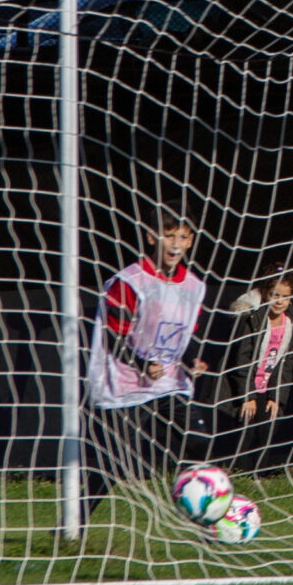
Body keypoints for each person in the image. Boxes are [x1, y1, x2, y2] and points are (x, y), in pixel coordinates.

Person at [83, 209, 211, 519]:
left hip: (168, 380)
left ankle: (201, 514)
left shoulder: (194, 287)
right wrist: (142, 363)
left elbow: (181, 336)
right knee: (113, 462)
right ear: (152, 236)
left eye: (183, 236)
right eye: (169, 235)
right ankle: (73, 523)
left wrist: (192, 360)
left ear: (191, 241)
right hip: (124, 379)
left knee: (197, 441)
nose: (175, 244)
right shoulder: (130, 281)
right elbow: (112, 335)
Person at [209, 270, 293, 468]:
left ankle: (259, 477)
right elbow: (242, 359)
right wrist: (247, 396)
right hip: (247, 386)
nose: (280, 301)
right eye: (275, 295)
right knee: (244, 434)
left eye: (285, 297)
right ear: (265, 295)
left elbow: (287, 364)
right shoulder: (255, 320)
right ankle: (238, 475)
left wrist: (277, 396)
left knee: (265, 432)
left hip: (268, 389)